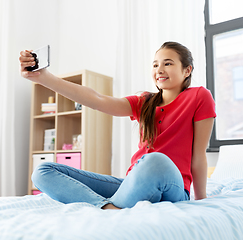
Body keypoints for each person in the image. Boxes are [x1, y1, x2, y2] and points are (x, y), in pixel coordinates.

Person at [19, 41, 216, 210]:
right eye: (155, 65)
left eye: (168, 63)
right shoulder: (145, 102)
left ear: (187, 70)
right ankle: (107, 208)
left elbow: (198, 155)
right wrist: (43, 77)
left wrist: (201, 201)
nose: (159, 70)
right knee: (42, 171)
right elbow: (97, 99)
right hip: (131, 183)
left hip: (173, 186)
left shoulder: (199, 96)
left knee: (155, 161)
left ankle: (113, 206)